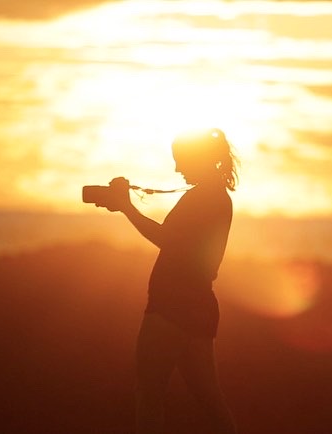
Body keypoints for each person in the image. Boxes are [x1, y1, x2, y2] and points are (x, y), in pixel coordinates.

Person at [103, 128, 238, 434]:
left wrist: (126, 207)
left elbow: (166, 238)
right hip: (200, 306)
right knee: (209, 399)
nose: (178, 169)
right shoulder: (217, 196)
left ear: (198, 159)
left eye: (181, 161)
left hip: (171, 306)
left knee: (150, 394)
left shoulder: (203, 198)